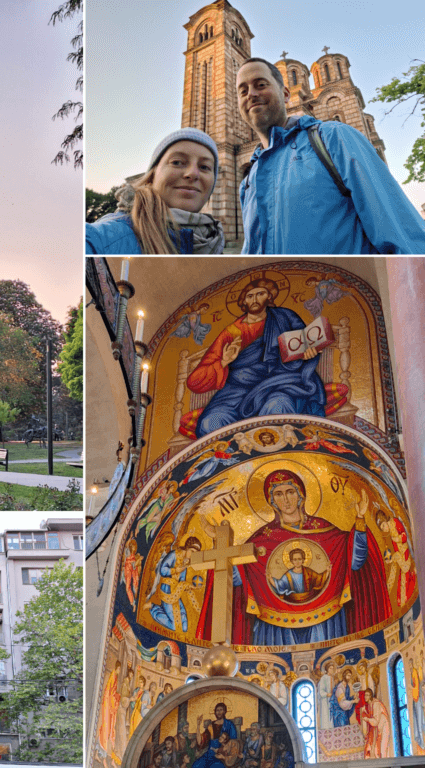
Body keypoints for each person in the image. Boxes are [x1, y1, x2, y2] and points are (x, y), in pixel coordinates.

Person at [235, 57, 425, 254]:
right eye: (243, 91)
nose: (251, 94)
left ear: (285, 94)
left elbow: (403, 236)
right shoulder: (250, 179)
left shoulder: (333, 137)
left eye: (261, 84)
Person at [203, 469, 388, 645]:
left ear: (301, 495)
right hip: (276, 625)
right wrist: (221, 547)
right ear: (272, 501)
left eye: (290, 492)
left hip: (324, 619)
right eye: (278, 494)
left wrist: (360, 519)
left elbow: (355, 563)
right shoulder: (262, 540)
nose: (285, 500)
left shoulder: (325, 531)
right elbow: (238, 580)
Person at [186, 277, 327, 438]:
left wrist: (308, 353)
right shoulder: (231, 333)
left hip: (280, 381)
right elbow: (194, 382)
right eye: (249, 296)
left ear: (269, 297)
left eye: (260, 293)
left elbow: (304, 341)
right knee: (210, 423)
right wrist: (224, 361)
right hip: (238, 389)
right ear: (244, 301)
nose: (254, 299)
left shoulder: (284, 317)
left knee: (278, 407)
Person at [87, 128, 224, 254]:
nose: (193, 173)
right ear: (152, 174)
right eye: (177, 162)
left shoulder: (213, 239)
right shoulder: (109, 235)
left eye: (205, 167)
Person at [194, 702, 238, 768]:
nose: (219, 712)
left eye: (221, 710)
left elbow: (233, 742)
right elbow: (201, 742)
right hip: (209, 754)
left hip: (222, 755)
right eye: (217, 710)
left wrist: (223, 751)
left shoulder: (229, 724)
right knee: (196, 765)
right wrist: (198, 725)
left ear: (224, 711)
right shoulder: (211, 725)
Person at [356, 688, 393, 758]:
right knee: (377, 751)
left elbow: (375, 722)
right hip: (379, 729)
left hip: (384, 728)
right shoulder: (370, 705)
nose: (365, 697)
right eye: (365, 695)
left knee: (382, 750)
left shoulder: (376, 704)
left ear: (371, 696)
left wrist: (367, 719)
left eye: (367, 695)